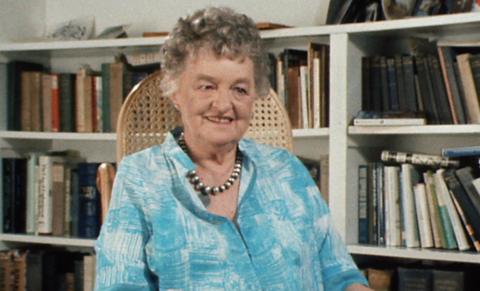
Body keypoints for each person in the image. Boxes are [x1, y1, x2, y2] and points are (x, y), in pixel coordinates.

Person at [95, 7, 370, 291]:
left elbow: (340, 275)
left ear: (255, 95)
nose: (224, 105)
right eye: (207, 87)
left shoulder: (286, 169)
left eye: (239, 89)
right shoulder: (140, 178)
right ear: (175, 91)